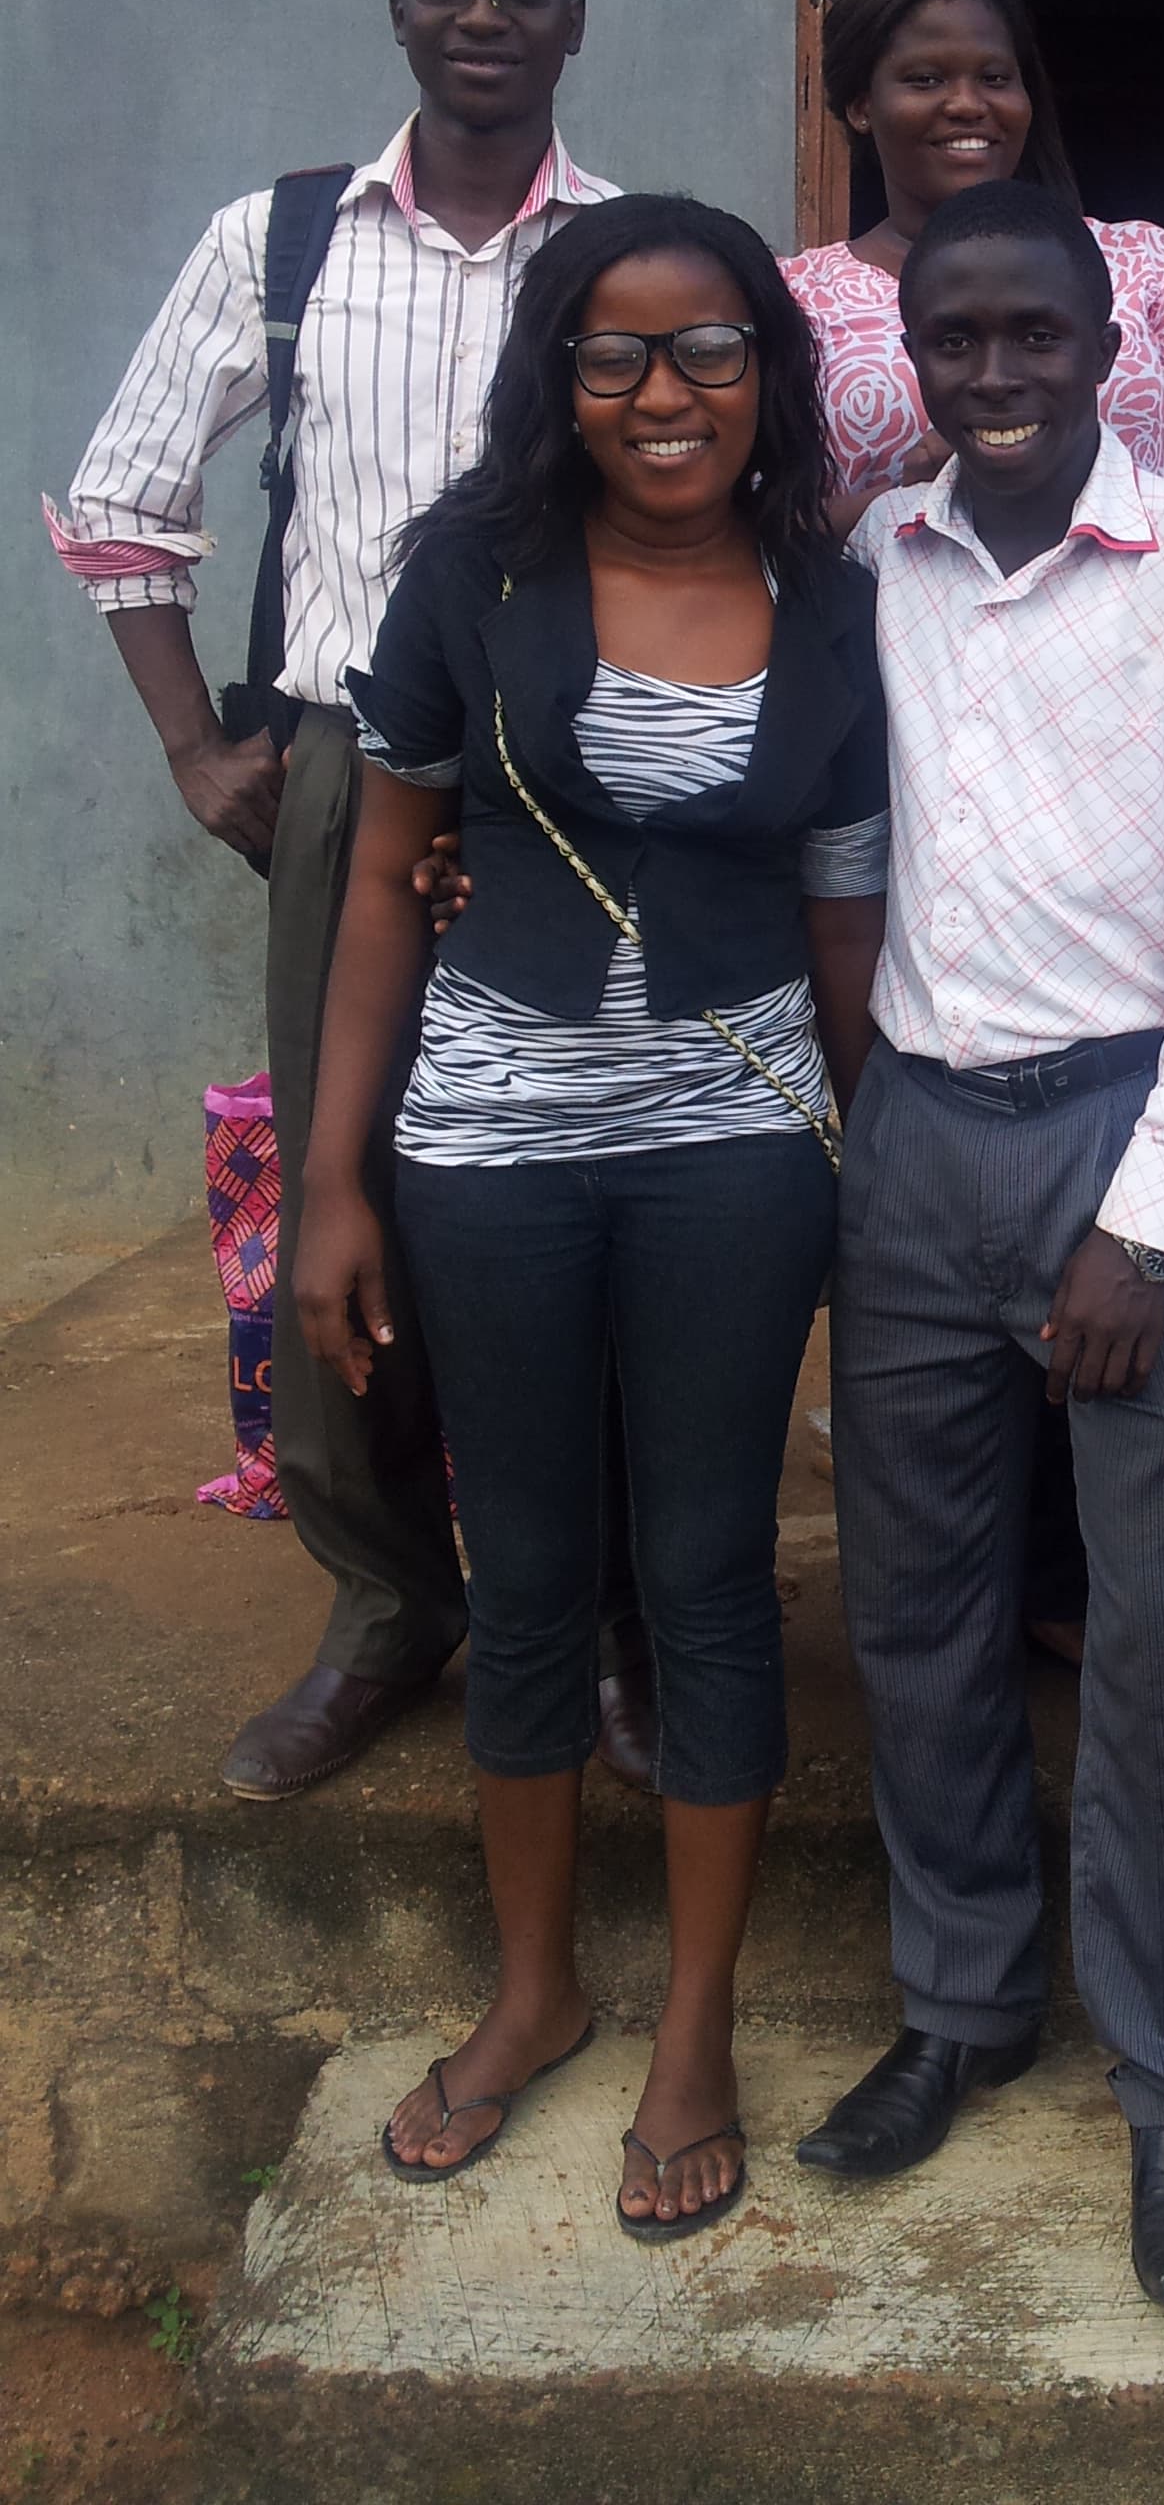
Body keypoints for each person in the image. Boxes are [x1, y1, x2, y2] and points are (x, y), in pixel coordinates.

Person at [292, 195, 889, 2240]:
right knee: (531, 1572)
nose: (664, 394)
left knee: (709, 1572)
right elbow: (387, 886)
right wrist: (332, 1185)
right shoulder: (470, 576)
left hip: (740, 1144)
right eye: (614, 355)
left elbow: (846, 915)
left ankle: (694, 2021)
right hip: (490, 1143)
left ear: (766, 373)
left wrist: (876, 1170)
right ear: (559, 378)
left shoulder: (832, 599)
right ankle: (534, 1990)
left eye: (710, 348)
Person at [45, 0, 661, 1800]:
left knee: (596, 1180)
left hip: (577, 784)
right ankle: (393, 1600)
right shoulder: (284, 242)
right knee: (349, 1175)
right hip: (341, 770)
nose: (482, 15)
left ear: (574, 21)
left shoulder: (628, 250)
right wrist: (193, 748)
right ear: (397, 9)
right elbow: (120, 497)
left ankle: (612, 1616)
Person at [798, 180, 1164, 2314]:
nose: (994, 372)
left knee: (1161, 1640)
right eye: (957, 338)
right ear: (912, 354)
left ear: (1108, 349)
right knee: (915, 1611)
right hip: (918, 1137)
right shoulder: (868, 566)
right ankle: (962, 2000)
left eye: (1035, 334)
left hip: (1129, 1134)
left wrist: (1151, 1220)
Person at [780, 0, 1164, 553]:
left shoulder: (1146, 263)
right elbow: (739, 537)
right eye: (926, 80)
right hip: (885, 611)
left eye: (994, 79)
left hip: (1147, 610)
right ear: (862, 106)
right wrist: (906, 503)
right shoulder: (795, 299)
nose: (968, 104)